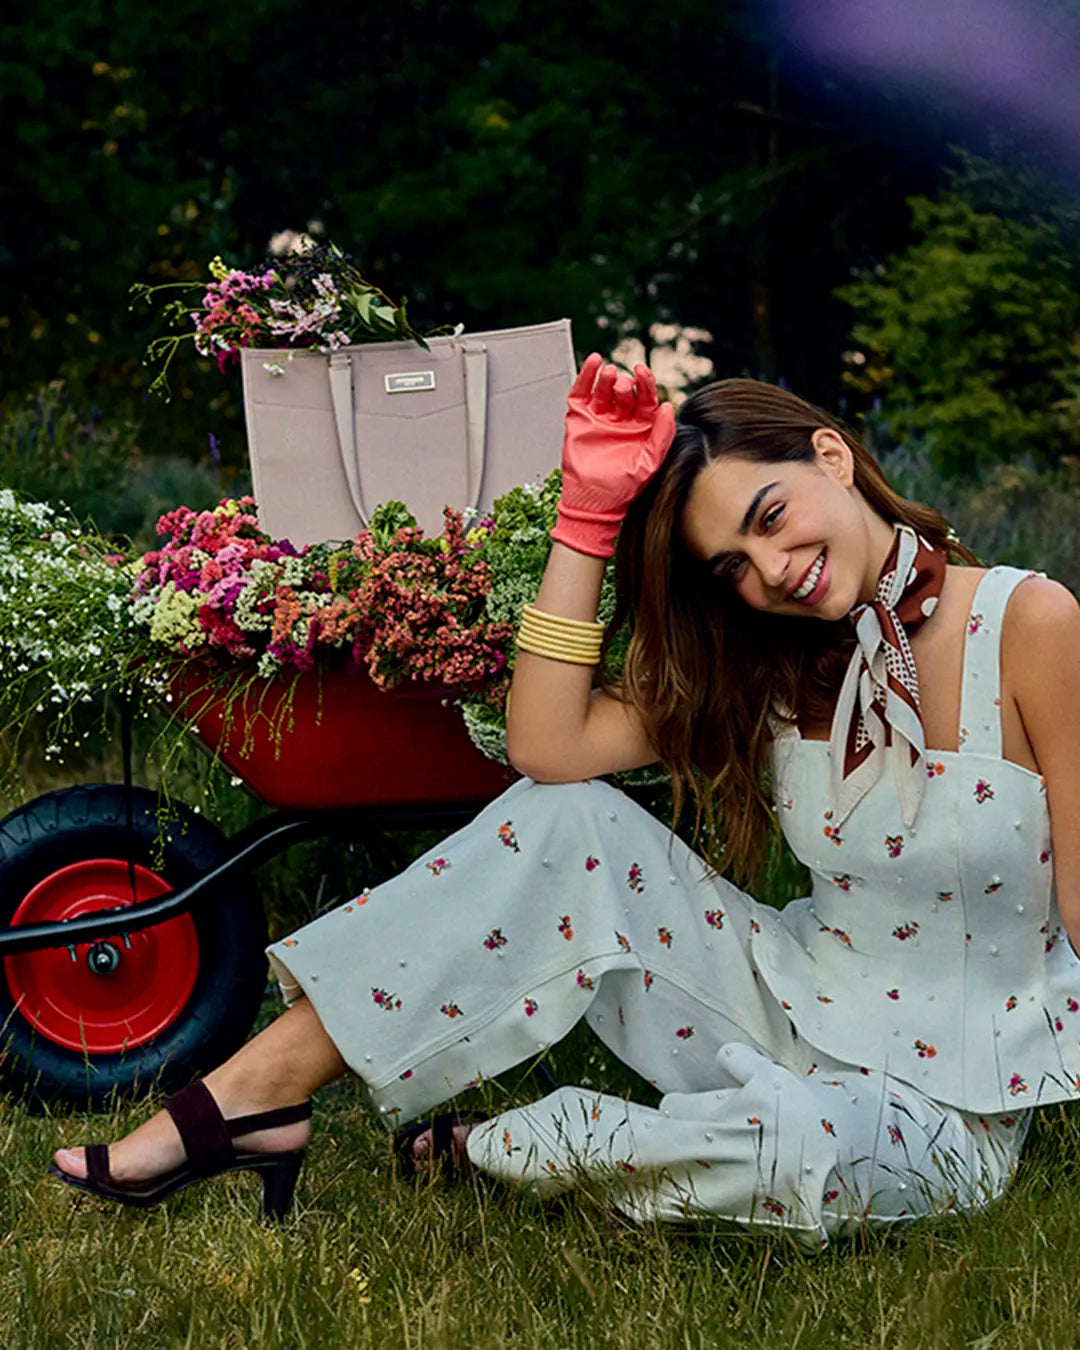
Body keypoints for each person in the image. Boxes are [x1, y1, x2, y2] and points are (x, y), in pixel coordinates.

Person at [51, 354, 1080, 1248]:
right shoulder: (766, 659)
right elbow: (549, 750)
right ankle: (248, 1098)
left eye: (771, 518)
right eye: (735, 566)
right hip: (788, 997)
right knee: (570, 820)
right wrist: (586, 518)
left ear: (830, 456)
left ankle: (510, 1147)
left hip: (956, 1102)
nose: (772, 570)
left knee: (795, 1150)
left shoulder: (1030, 624)